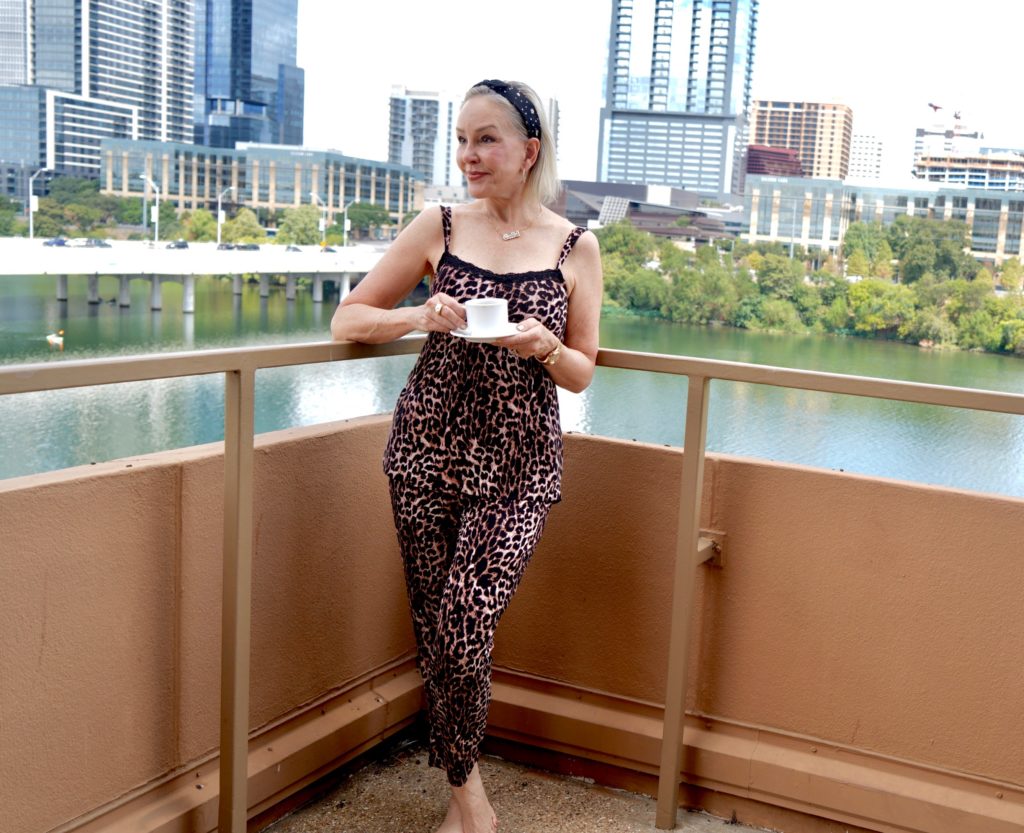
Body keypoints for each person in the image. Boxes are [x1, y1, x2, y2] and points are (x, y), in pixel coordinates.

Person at [330, 79, 602, 833]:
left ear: (529, 150)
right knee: (433, 622)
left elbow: (582, 370)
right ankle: (467, 795)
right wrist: (422, 313)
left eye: (486, 139)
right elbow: (348, 316)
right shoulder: (438, 225)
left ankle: (465, 797)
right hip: (424, 451)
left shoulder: (577, 245)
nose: (469, 155)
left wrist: (544, 344)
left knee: (464, 618)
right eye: (461, 139)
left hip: (519, 469)